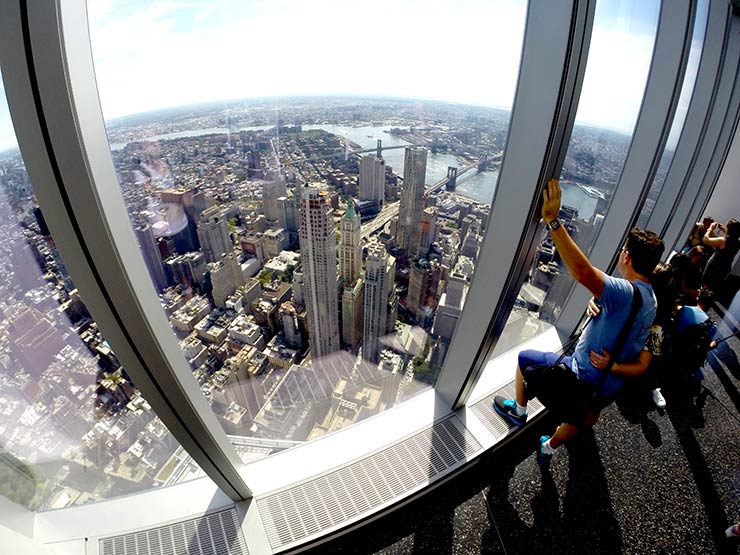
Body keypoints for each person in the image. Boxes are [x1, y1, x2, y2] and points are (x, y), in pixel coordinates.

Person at [493, 178, 664, 466]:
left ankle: (519, 412)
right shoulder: (653, 301)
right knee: (588, 414)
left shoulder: (624, 291)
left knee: (525, 358)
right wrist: (598, 306)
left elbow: (584, 273)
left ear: (627, 257)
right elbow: (642, 344)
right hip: (611, 385)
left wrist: (552, 221)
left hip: (583, 375)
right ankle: (548, 448)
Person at [702, 218, 740, 295]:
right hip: (725, 268)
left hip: (714, 266)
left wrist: (710, 229)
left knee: (705, 287)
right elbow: (730, 238)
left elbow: (705, 239)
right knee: (713, 289)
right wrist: (725, 230)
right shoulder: (737, 243)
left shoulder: (722, 240)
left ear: (729, 229)